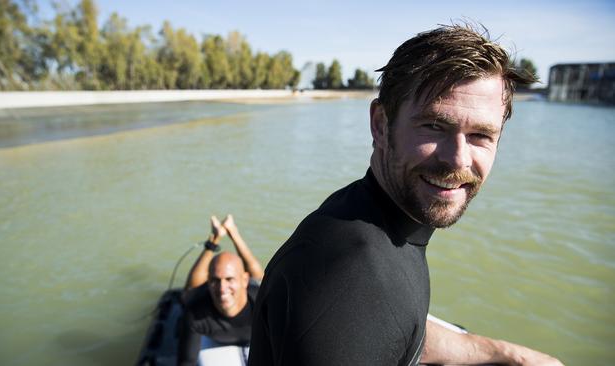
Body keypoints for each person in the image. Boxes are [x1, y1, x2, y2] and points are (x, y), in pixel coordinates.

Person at [248, 24, 564, 366]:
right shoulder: (354, 271)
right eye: (434, 126)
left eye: (480, 136)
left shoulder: (365, 215)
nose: (457, 158)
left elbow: (391, 328)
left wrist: (506, 354)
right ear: (381, 125)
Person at [177, 215, 264, 366]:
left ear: (244, 281)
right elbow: (186, 362)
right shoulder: (196, 314)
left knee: (261, 280)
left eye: (229, 279)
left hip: (254, 299)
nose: (222, 289)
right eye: (215, 281)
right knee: (189, 293)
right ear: (208, 281)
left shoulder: (261, 302)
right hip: (213, 336)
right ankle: (215, 239)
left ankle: (233, 232)